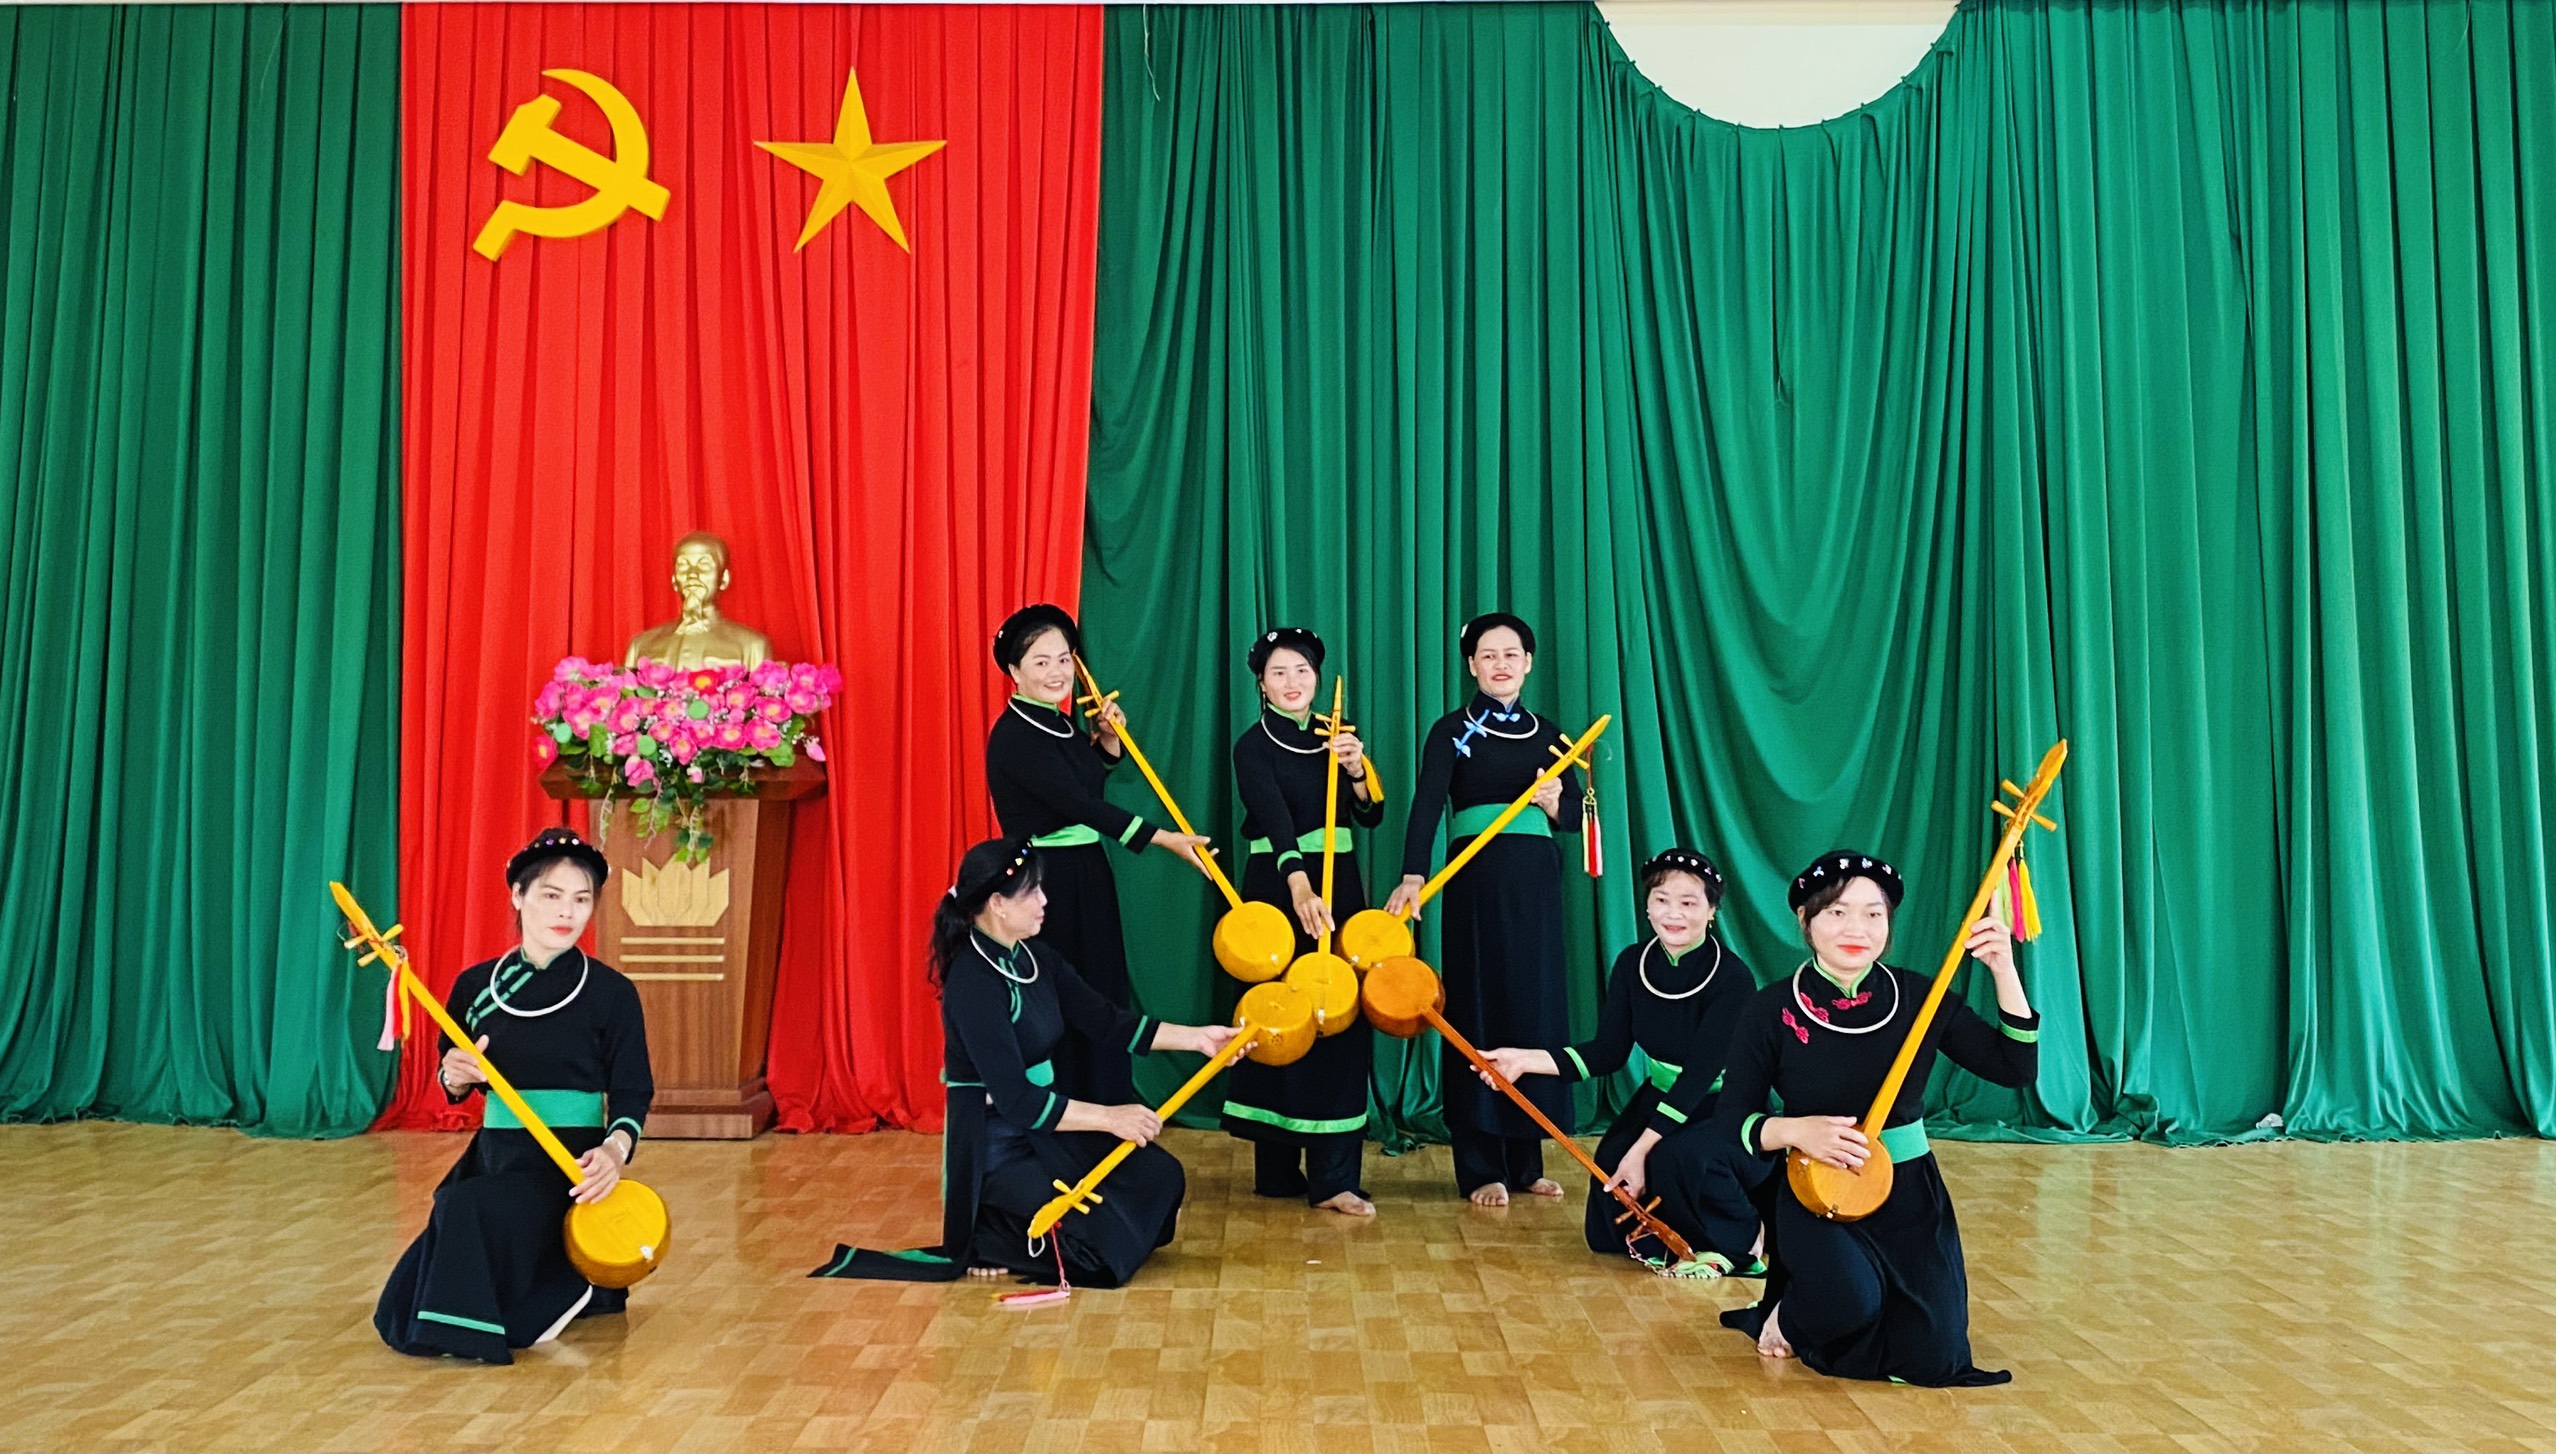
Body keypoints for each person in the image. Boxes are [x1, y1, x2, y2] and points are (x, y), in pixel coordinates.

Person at [812, 839, 1237, 1286]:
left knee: (1160, 1176)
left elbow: (1108, 1022)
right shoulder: (973, 983)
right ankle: (986, 1231)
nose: (1045, 901)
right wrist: (1111, 1118)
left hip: (1044, 1131)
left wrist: (1200, 1039)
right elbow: (1017, 1100)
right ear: (997, 904)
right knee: (1097, 1244)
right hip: (996, 1148)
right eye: (1032, 892)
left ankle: (1012, 1232)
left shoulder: (1034, 957)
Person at [1713, 850, 2040, 1386]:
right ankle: (1788, 1313)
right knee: (1849, 1303)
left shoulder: (1920, 997)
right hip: (1816, 1190)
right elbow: (1731, 1122)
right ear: (1805, 919)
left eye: (1873, 914)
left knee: (1937, 1359)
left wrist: (2004, 970)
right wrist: (1796, 1130)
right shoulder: (1770, 1009)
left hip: (1909, 1194)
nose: (1856, 929)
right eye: (1837, 912)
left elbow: (2014, 1068)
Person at [375, 828, 653, 1365]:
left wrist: (614, 1152)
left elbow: (632, 1090)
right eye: (551, 895)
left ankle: (484, 1324)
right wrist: (455, 1076)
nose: (567, 912)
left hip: (569, 1165)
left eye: (582, 899)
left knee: (466, 1207)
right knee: (405, 1295)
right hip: (497, 1156)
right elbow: (453, 1080)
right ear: (518, 896)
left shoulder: (612, 993)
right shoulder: (475, 989)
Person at [1479, 847, 1768, 1273]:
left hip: (1724, 1103)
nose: (1673, 913)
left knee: (1672, 1157)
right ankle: (1667, 1232)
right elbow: (1608, 1052)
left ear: (1711, 912)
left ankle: (1746, 1238)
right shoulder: (1633, 963)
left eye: (1689, 903)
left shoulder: (1733, 978)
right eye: (1661, 900)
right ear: (1647, 905)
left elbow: (1696, 1078)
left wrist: (1642, 1149)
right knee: (1607, 1207)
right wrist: (1524, 1061)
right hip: (1662, 1095)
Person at [1387, 612, 1583, 1205]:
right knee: (1478, 1007)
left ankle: (1526, 1160)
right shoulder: (1450, 730)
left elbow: (1576, 820)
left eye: (1511, 654)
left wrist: (1555, 801)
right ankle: (1479, 1167)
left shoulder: (1552, 735)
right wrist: (1413, 876)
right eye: (1488, 655)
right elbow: (1427, 804)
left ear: (1529, 662)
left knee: (1533, 1008)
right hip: (1474, 881)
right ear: (1471, 665)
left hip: (1536, 885)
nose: (1501, 664)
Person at [983, 603, 1209, 1101]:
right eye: (1041, 661)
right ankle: (1069, 1114)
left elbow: (1087, 780)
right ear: (1015, 671)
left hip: (1088, 870)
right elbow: (1078, 805)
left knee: (1102, 988)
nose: (1057, 672)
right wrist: (1165, 839)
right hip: (1044, 880)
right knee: (1063, 995)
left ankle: (1111, 1105)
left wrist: (1106, 741)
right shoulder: (1015, 736)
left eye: (1064, 659)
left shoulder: (1060, 724)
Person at [1219, 627, 1386, 1216]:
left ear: (1318, 678)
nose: (1292, 682)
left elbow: (1371, 813)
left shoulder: (1338, 736)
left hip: (1341, 886)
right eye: (1279, 673)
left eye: (1302, 671)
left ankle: (1335, 1178)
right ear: (1261, 685)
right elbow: (1274, 820)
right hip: (1277, 886)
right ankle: (1276, 1169)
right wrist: (1298, 885)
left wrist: (1357, 768)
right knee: (1277, 1011)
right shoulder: (1251, 745)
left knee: (1336, 1013)